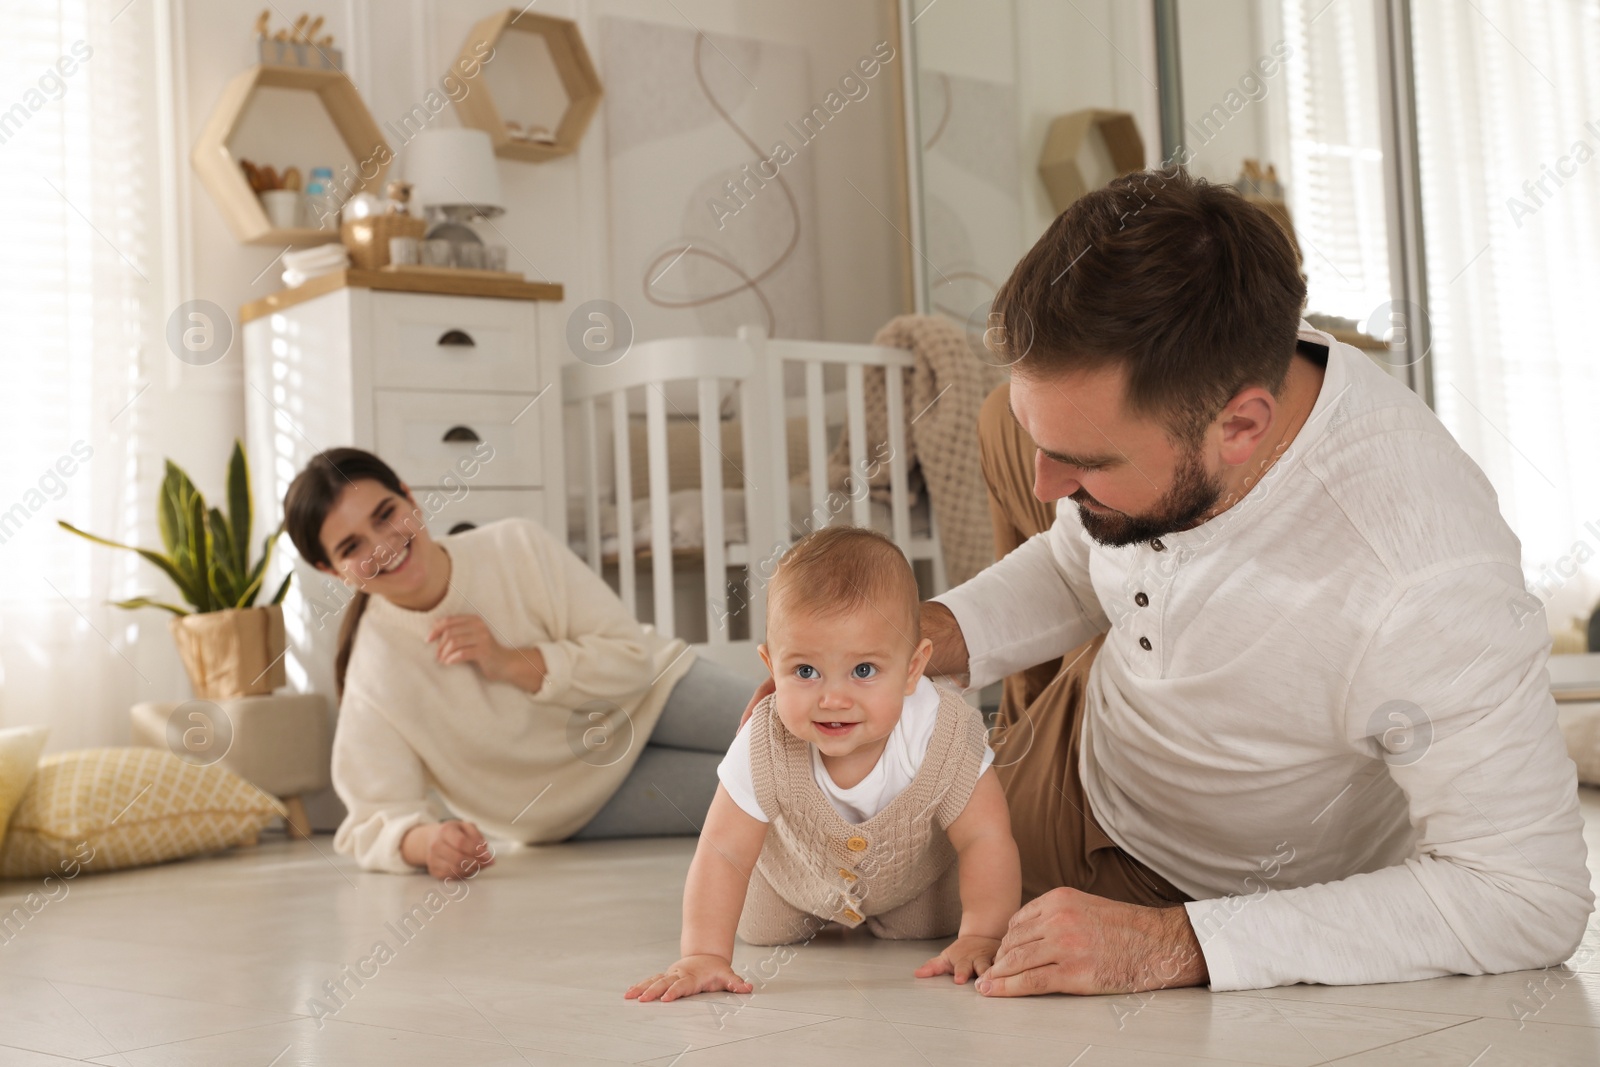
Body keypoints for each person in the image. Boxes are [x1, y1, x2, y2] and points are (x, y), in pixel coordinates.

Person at [759, 166, 1592, 996]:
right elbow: (1072, 557)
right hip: (1104, 714)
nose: (1045, 485)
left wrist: (1177, 944)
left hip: (1157, 860)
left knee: (829, 873)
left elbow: (1529, 895)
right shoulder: (1192, 390)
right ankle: (1001, 714)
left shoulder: (1421, 582)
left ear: (1241, 425)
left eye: (1083, 461)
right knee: (1006, 434)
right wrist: (911, 642)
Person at [281, 447, 754, 879]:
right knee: (780, 793)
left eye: (386, 515)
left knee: (800, 729)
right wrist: (426, 843)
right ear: (331, 571)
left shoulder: (517, 546)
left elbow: (630, 659)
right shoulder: (372, 672)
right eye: (352, 547)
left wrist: (508, 661)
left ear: (409, 498)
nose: (381, 545)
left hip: (657, 691)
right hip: (581, 800)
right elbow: (372, 818)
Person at [626, 527, 1021, 1003]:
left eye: (864, 671)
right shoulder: (763, 740)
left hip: (914, 886)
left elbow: (985, 836)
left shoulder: (945, 731)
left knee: (935, 919)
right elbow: (722, 851)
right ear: (771, 667)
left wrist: (983, 933)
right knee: (761, 927)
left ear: (914, 667)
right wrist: (703, 953)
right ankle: (770, 918)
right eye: (806, 672)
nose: (834, 699)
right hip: (792, 884)